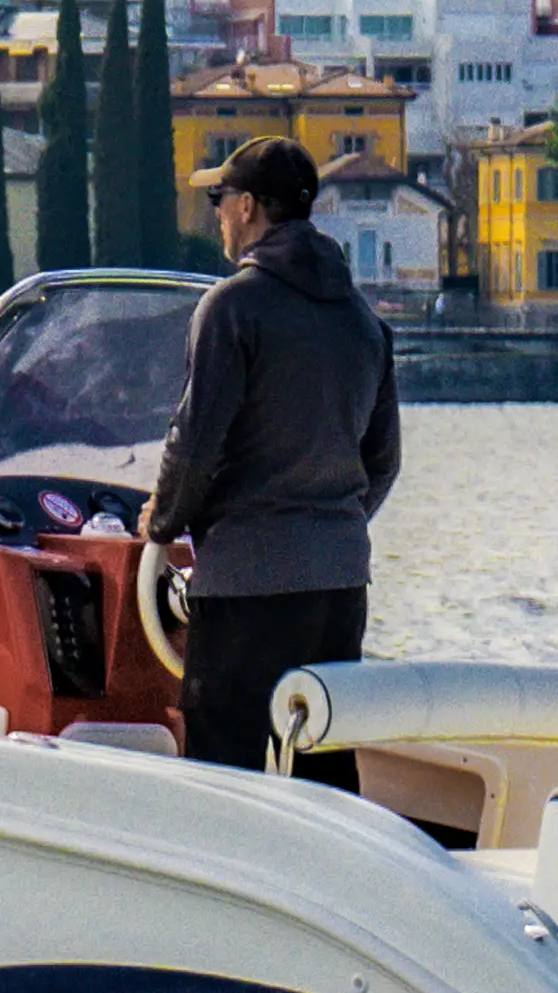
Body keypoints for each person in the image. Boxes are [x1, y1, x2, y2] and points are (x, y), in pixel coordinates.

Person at [141, 135, 400, 785]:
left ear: (249, 206)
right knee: (324, 760)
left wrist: (160, 523)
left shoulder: (233, 307)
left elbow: (194, 446)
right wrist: (328, 520)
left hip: (247, 586)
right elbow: (383, 461)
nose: (215, 213)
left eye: (217, 198)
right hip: (339, 583)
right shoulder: (363, 322)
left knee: (221, 768)